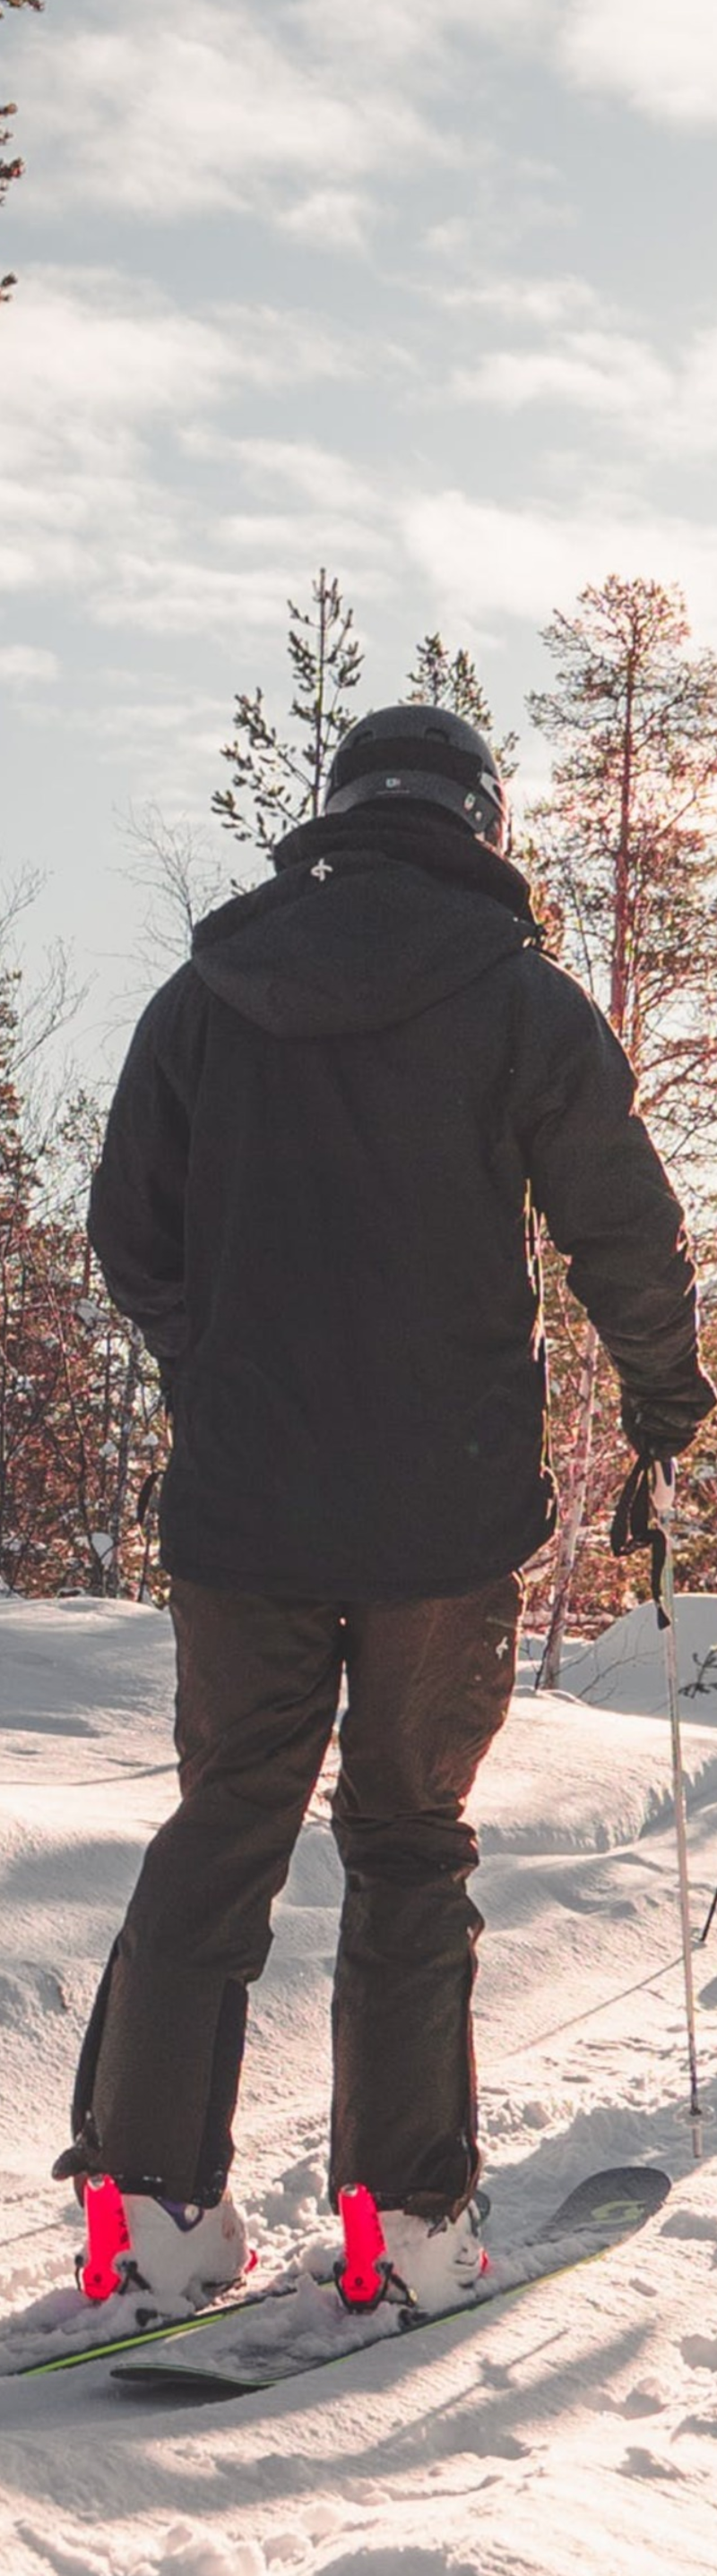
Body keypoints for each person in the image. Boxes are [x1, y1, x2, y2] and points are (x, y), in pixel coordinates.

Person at [65, 696, 713, 2323]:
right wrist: (664, 1411)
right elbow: (623, 1228)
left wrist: (219, 1363)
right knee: (410, 1840)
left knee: (225, 1820)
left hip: (245, 1511)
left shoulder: (207, 995)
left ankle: (146, 2212)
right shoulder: (519, 999)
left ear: (343, 813)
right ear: (478, 824)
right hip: (443, 1515)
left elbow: (128, 1229)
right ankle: (405, 2224)